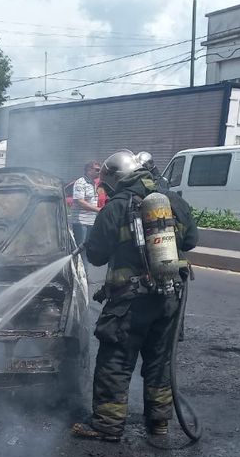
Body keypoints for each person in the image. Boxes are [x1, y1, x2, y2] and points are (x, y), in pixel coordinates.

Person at [72, 149, 199, 442]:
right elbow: (191, 241)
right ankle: (160, 424)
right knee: (160, 362)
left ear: (116, 179)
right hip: (169, 299)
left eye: (106, 184)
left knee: (115, 360)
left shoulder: (116, 206)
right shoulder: (174, 201)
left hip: (129, 303)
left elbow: (97, 255)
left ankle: (107, 425)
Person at [71, 161, 100, 248]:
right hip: (81, 223)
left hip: (91, 222)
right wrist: (98, 209)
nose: (99, 172)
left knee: (88, 247)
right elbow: (80, 202)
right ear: (89, 170)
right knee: (80, 248)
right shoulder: (80, 182)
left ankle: (87, 262)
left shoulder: (93, 183)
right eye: (97, 170)